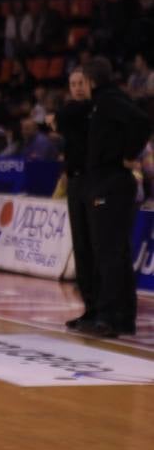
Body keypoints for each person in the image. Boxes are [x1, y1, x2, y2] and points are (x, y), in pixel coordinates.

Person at [74, 57, 151, 337]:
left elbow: (142, 122)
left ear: (92, 80)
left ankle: (109, 318)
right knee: (114, 252)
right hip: (108, 182)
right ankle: (122, 318)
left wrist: (128, 154)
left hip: (110, 183)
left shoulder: (107, 100)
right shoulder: (105, 101)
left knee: (108, 253)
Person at [54, 69, 94, 330]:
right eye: (73, 84)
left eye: (81, 83)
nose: (77, 88)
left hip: (96, 182)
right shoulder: (71, 111)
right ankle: (89, 308)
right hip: (76, 180)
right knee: (81, 246)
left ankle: (102, 309)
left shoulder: (95, 110)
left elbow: (59, 119)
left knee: (94, 246)